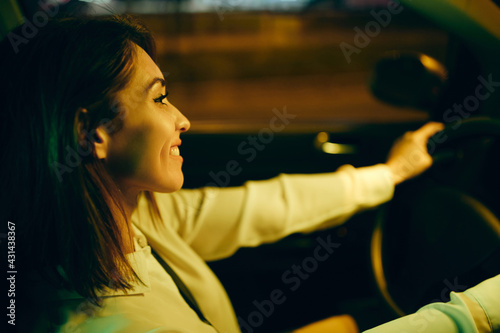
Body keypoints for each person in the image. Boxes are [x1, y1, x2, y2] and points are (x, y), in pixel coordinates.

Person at [1, 15, 443, 333]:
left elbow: (261, 207)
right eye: (158, 99)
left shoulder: (130, 220)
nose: (182, 119)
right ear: (92, 131)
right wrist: (475, 313)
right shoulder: (115, 322)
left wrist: (389, 173)